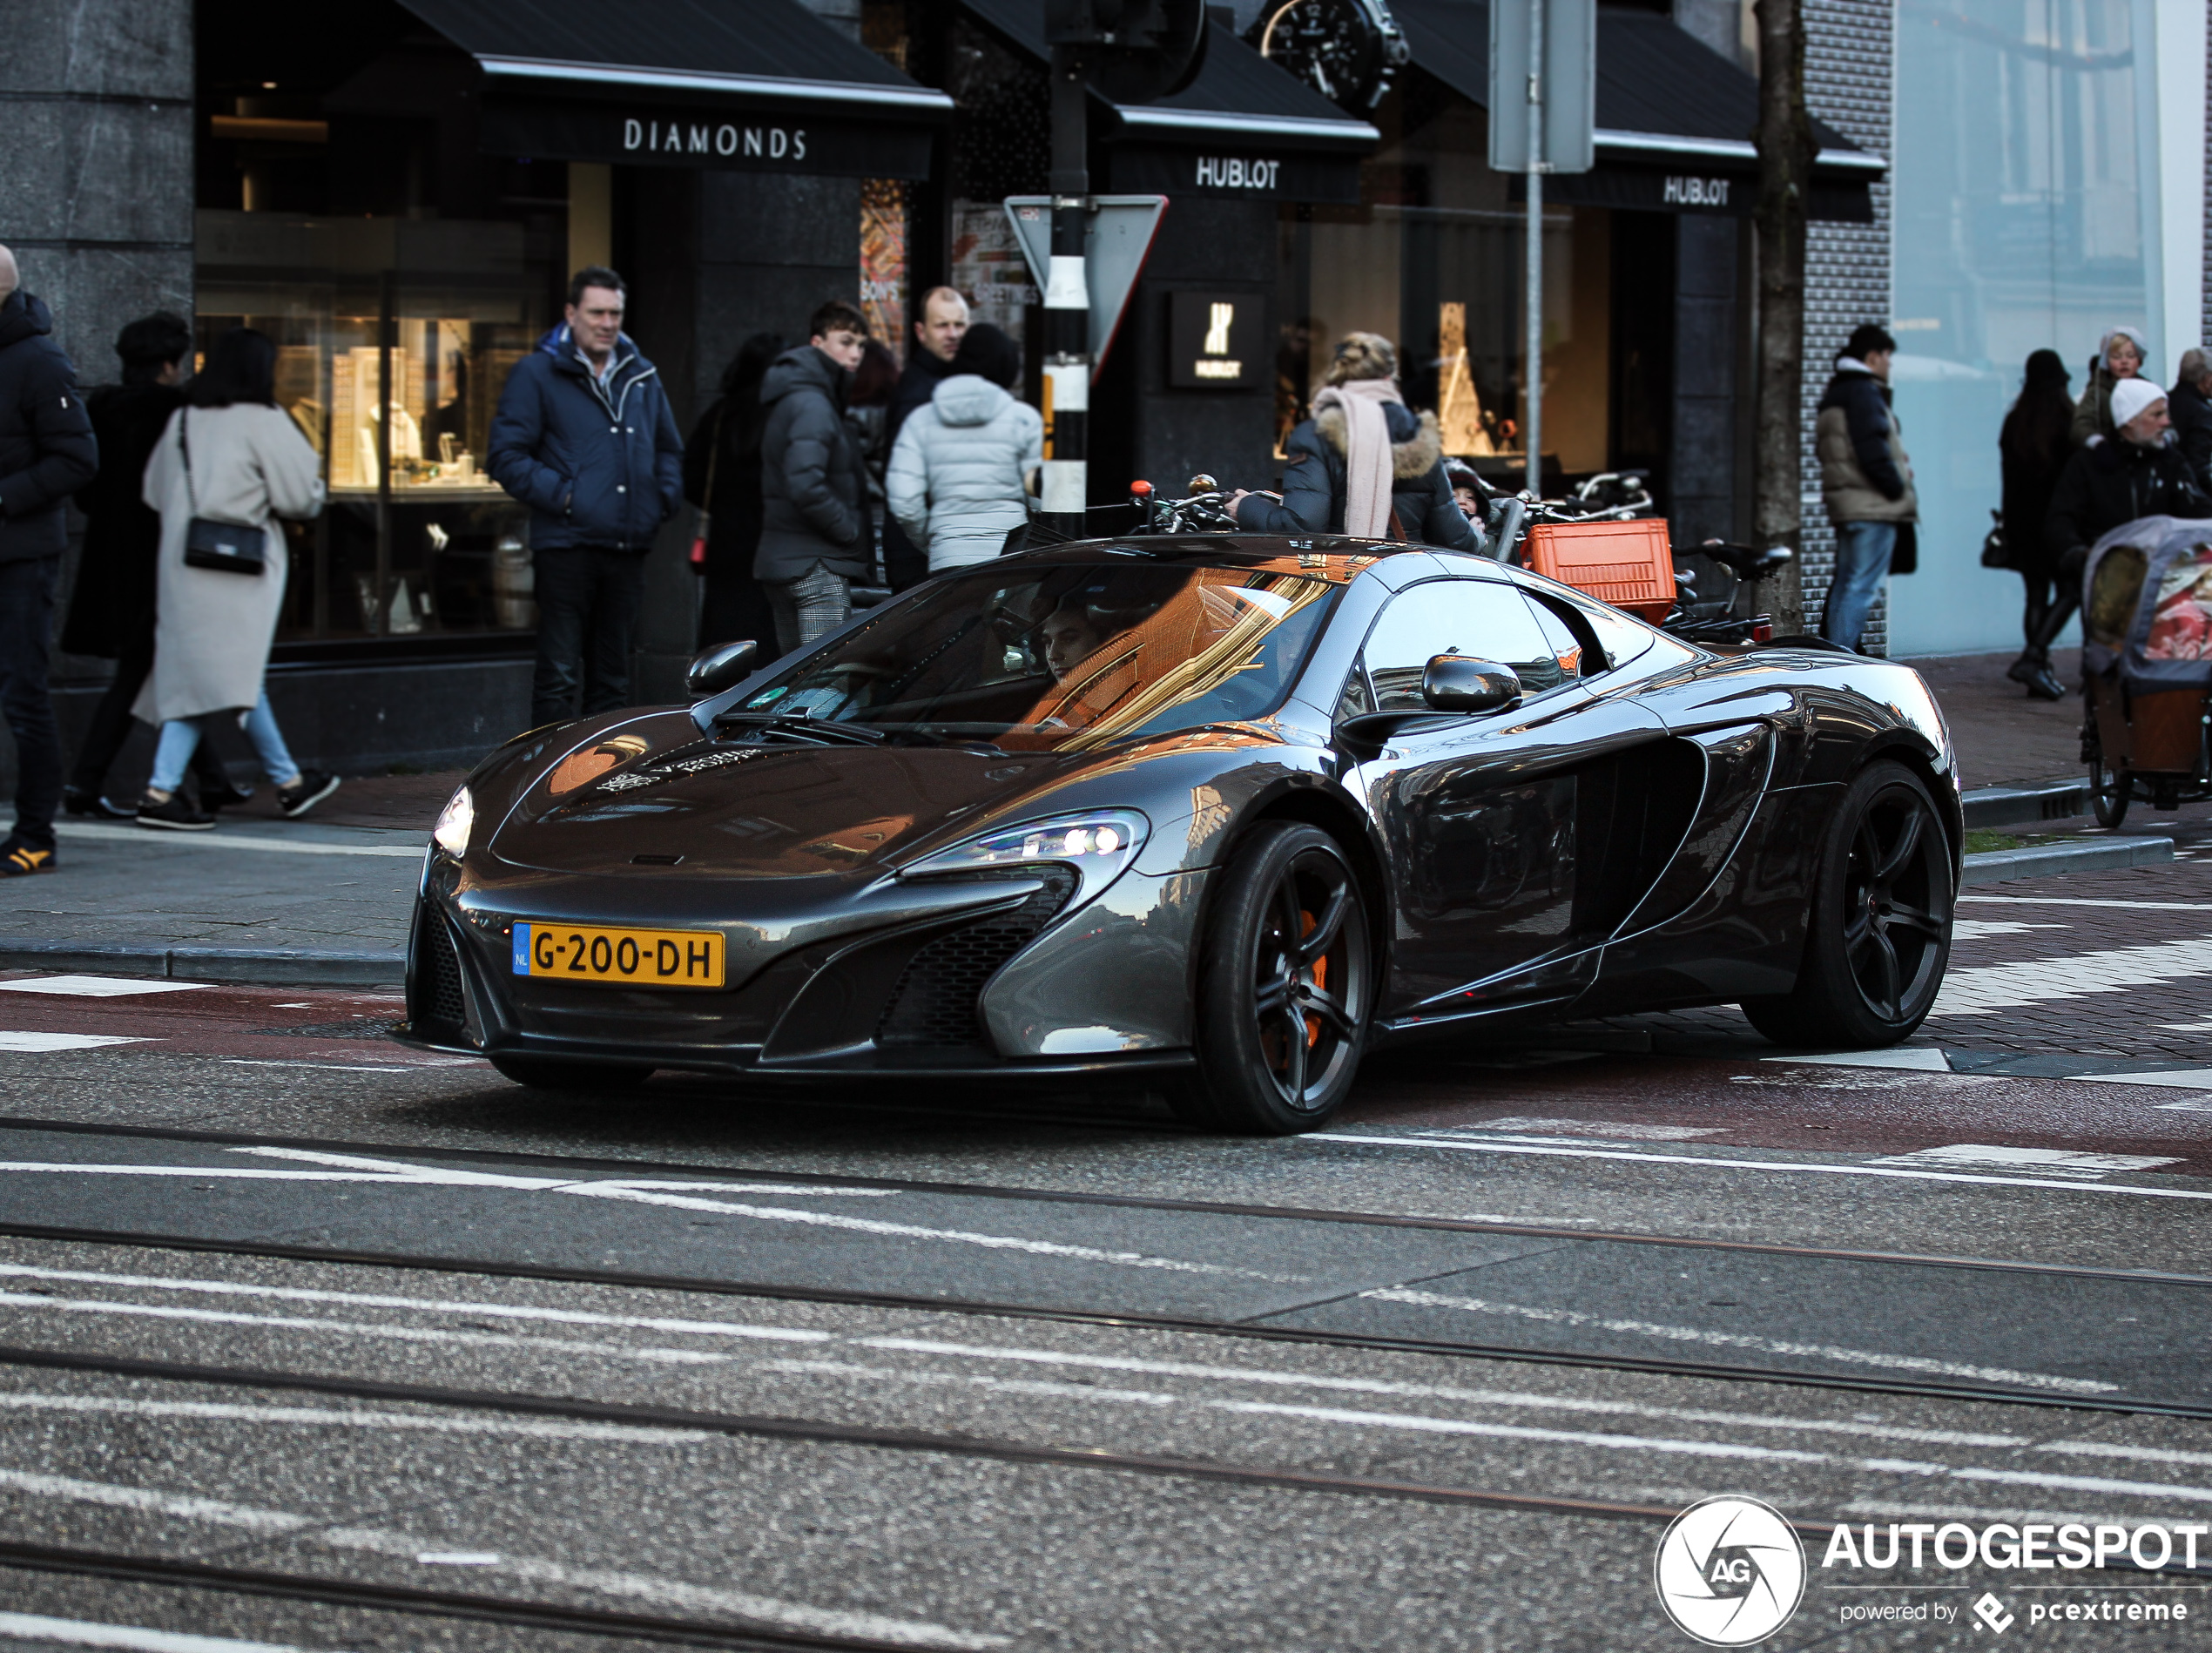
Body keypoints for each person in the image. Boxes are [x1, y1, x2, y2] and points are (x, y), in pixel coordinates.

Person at [133, 328, 336, 829]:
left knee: (201, 678)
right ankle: (279, 784)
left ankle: (174, 791)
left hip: (184, 564)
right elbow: (299, 499)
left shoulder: (183, 419)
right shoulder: (264, 421)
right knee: (234, 677)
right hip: (241, 570)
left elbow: (153, 492)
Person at [61, 313, 244, 816]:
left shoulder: (102, 408)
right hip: (165, 562)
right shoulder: (179, 412)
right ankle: (88, 783)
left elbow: (87, 493)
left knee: (159, 671)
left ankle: (211, 779)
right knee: (145, 673)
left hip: (110, 560)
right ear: (170, 363)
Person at [488, 266, 683, 726]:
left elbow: (668, 449)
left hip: (626, 547)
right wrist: (568, 498)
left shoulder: (641, 374)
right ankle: (543, 784)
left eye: (615, 312)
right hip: (566, 545)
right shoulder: (536, 373)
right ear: (571, 313)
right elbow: (505, 456)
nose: (608, 322)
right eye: (597, 312)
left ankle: (595, 788)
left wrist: (661, 499)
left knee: (612, 680)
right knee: (557, 675)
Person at [0, 246, 98, 874]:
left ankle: (36, 835)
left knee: (22, 692)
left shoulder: (39, 361)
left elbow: (78, 460)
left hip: (18, 559)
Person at [1226, 332, 1478, 552]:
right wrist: (1476, 534)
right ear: (1389, 379)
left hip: (1339, 584)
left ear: (1338, 378)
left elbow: (1302, 526)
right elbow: (1453, 538)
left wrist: (1247, 508)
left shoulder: (1315, 435)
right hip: (1401, 582)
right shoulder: (1419, 436)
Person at [2040, 379, 2212, 658]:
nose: (2167, 422)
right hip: (2108, 584)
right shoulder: (2088, 464)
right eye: (2156, 415)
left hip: (2165, 585)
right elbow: (2061, 518)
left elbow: (2198, 509)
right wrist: (2078, 554)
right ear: (2130, 420)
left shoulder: (2171, 463)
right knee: (2109, 669)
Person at [756, 300, 872, 652]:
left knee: (795, 689)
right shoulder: (812, 403)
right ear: (817, 343)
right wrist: (848, 533)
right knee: (823, 691)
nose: (855, 353)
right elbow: (805, 483)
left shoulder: (795, 395)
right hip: (816, 565)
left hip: (788, 559)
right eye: (845, 341)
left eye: (861, 345)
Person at [885, 323, 1042, 576]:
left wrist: (936, 539)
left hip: (947, 558)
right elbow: (1040, 495)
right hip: (1011, 559)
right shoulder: (1024, 419)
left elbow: (904, 500)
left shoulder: (920, 420)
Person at [1814, 324, 1918, 651]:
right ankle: (1841, 662)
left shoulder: (1837, 392)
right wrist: (1896, 488)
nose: (1890, 364)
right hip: (1871, 506)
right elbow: (1871, 450)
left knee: (1846, 584)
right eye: (1887, 357)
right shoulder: (1863, 393)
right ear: (1873, 357)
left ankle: (1835, 654)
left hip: (1850, 504)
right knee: (1859, 588)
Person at [682, 332, 783, 653]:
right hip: (772, 542)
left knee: (725, 637)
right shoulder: (783, 414)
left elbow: (691, 476)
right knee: (769, 640)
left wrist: (722, 505)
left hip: (726, 541)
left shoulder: (719, 414)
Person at [1996, 348, 2077, 699]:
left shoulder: (2016, 421)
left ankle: (2037, 669)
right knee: (2072, 589)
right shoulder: (2066, 420)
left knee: (2035, 594)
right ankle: (2034, 658)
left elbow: (2008, 478)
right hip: (2056, 522)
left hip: (2021, 521)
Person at [880, 287, 971, 591]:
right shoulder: (920, 392)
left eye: (959, 325)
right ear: (921, 332)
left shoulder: (947, 382)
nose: (952, 333)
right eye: (942, 325)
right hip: (923, 556)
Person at [2071, 327, 2148, 448]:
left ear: (2139, 360)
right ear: (2107, 361)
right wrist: (2097, 442)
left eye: (2130, 356)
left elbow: (2165, 422)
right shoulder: (2096, 392)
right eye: (2117, 357)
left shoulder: (2149, 391)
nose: (2124, 361)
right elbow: (2082, 424)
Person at [2169, 347, 2212, 490]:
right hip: (2190, 496)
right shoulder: (2202, 413)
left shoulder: (2164, 401)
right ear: (2207, 379)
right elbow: (2199, 467)